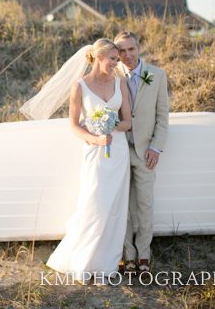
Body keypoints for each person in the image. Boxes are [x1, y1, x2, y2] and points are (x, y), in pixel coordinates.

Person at [20, 38, 132, 284]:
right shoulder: (79, 86)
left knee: (114, 208)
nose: (117, 62)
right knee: (93, 205)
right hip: (94, 151)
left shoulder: (120, 84)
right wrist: (94, 138)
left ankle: (105, 265)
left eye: (117, 58)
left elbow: (127, 122)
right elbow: (73, 125)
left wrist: (111, 124)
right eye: (113, 58)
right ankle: (80, 261)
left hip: (118, 151)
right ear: (99, 58)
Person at [114, 31, 169, 276]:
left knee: (145, 203)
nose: (126, 55)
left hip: (146, 151)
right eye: (121, 51)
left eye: (130, 49)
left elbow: (162, 117)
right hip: (119, 151)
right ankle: (128, 254)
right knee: (123, 206)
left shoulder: (157, 75)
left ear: (139, 48)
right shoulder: (111, 76)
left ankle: (144, 253)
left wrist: (156, 147)